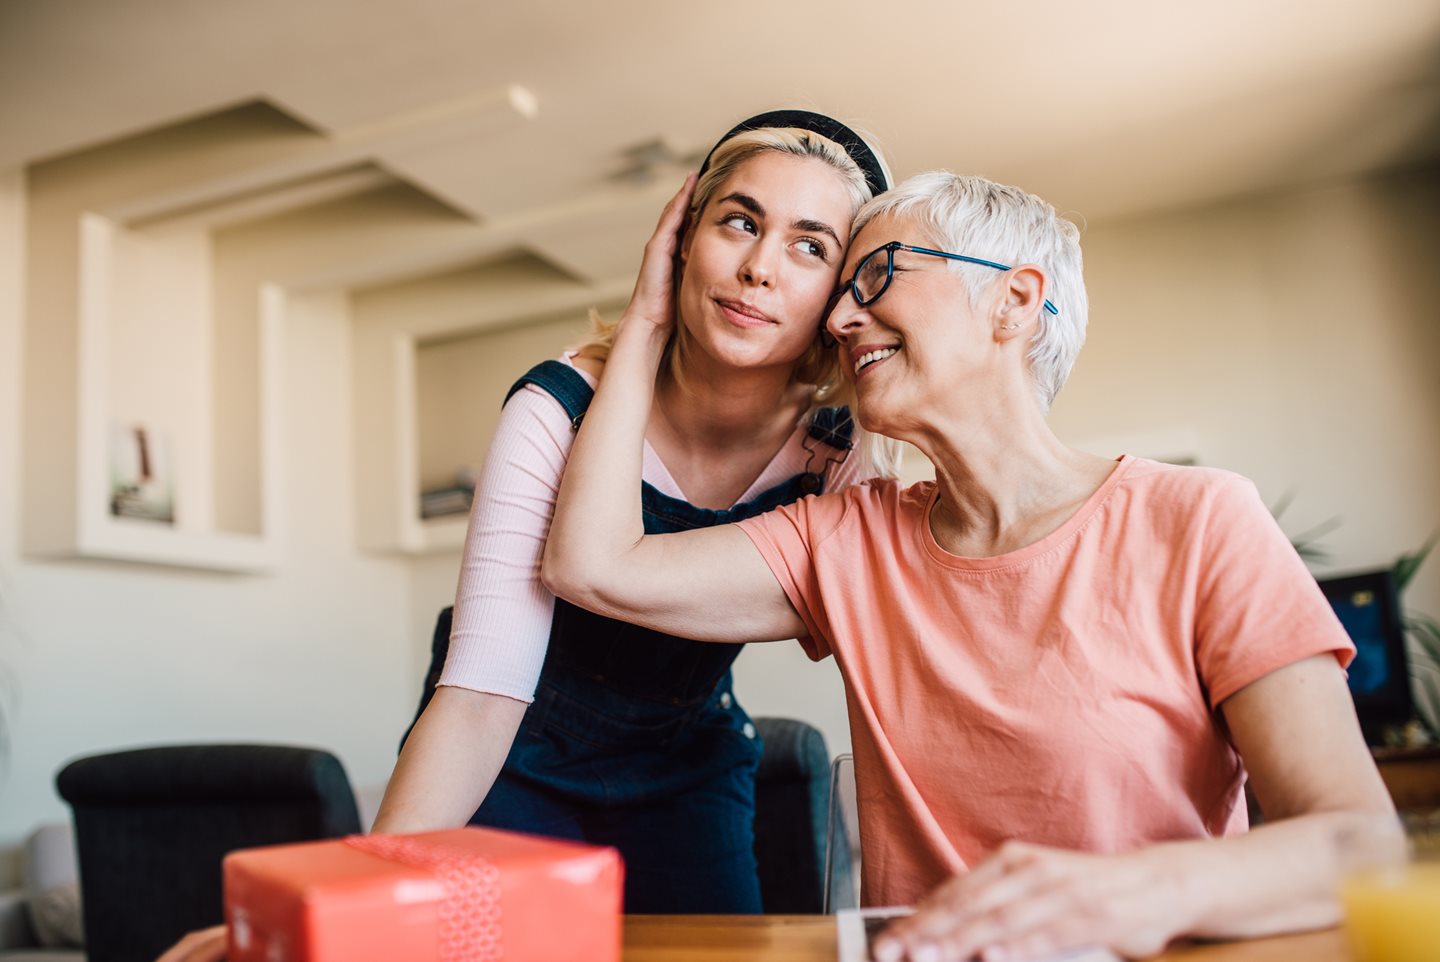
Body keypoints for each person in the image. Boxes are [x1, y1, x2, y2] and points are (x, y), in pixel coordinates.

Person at [541, 170, 1404, 961]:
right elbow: (593, 564)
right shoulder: (847, 539)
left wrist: (1119, 895)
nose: (840, 319)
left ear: (1015, 301)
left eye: (877, 277)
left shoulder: (1200, 520)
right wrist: (650, 322)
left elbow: (1359, 844)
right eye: (843, 295)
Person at [156, 109, 894, 962]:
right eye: (739, 221)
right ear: (682, 241)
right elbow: (479, 696)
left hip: (689, 760)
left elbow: (858, 646)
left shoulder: (837, 448)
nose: (760, 268)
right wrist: (342, 910)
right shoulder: (554, 408)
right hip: (514, 748)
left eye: (810, 247)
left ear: (841, 291)